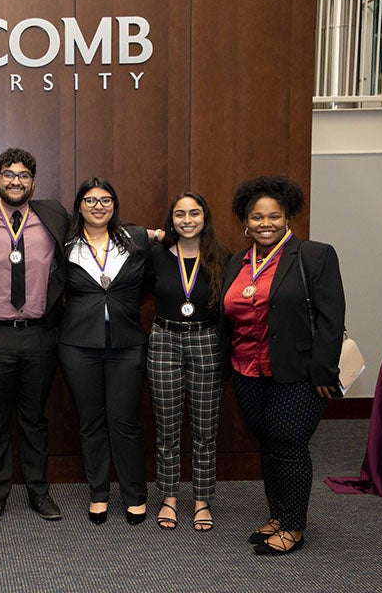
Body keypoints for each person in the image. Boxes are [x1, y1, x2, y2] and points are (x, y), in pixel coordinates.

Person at [222, 176, 345, 555]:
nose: (265, 224)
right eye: (257, 217)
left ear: (287, 218)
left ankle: (293, 527)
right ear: (246, 220)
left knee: (289, 443)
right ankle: (277, 514)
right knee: (269, 444)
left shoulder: (314, 255)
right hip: (247, 370)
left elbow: (331, 317)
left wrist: (325, 368)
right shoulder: (236, 262)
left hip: (299, 373)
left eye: (274, 216)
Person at [0, 148, 69, 524]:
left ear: (33, 182)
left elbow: (97, 225)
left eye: (23, 175)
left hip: (41, 335)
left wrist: (148, 234)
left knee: (35, 419)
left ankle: (39, 492)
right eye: (8, 174)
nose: (16, 181)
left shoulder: (52, 214)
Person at [57, 177, 152, 526]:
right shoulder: (65, 245)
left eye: (106, 200)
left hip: (127, 344)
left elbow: (150, 284)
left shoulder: (137, 240)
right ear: (79, 205)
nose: (99, 206)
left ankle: (135, 495)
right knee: (91, 421)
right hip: (79, 345)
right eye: (91, 200)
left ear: (115, 205)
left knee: (124, 421)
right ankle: (98, 493)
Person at [145, 192, 230, 531]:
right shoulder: (158, 256)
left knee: (205, 429)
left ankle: (201, 500)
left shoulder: (222, 257)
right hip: (164, 339)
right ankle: (168, 497)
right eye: (179, 214)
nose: (187, 220)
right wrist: (153, 235)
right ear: (172, 220)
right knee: (167, 426)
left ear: (205, 218)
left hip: (206, 340)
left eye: (194, 213)